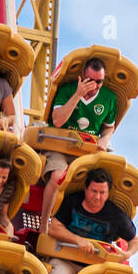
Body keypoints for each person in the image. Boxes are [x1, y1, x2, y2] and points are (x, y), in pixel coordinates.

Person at [37, 168, 138, 274]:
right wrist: (78, 240)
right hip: (67, 258)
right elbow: (54, 227)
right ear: (86, 189)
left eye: (102, 192)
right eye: (94, 191)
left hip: (94, 268)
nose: (97, 197)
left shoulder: (117, 216)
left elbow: (135, 241)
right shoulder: (73, 201)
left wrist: (128, 254)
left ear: (108, 193)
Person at [38, 57, 118, 232]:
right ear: (83, 76)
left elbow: (108, 128)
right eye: (91, 81)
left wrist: (104, 140)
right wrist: (78, 95)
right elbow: (57, 120)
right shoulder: (68, 90)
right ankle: (44, 226)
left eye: (99, 82)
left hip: (85, 150)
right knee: (58, 175)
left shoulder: (109, 99)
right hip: (59, 146)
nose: (95, 87)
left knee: (96, 185)